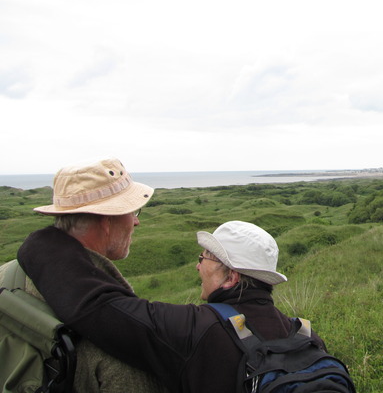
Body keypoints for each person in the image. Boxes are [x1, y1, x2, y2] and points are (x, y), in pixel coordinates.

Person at [18, 220, 335, 392]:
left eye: (206, 258)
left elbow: (98, 308)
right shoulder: (306, 334)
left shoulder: (195, 331)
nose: (198, 267)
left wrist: (43, 240)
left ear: (230, 277)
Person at [0, 158, 168, 393]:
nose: (137, 222)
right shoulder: (119, 339)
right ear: (106, 220)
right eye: (132, 212)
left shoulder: (8, 274)